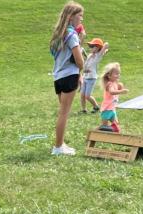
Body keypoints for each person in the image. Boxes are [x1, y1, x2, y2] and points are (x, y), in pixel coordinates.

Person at [49, 3, 85, 156]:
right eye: (80, 16)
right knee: (64, 113)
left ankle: (61, 143)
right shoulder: (71, 34)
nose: (81, 19)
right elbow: (79, 60)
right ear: (71, 16)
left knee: (62, 112)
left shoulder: (58, 34)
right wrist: (81, 71)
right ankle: (58, 148)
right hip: (69, 76)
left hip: (58, 77)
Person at [80, 38, 107, 113]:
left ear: (98, 48)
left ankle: (96, 107)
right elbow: (86, 65)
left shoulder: (97, 56)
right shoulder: (90, 56)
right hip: (85, 77)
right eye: (90, 46)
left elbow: (106, 44)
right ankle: (83, 110)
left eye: (93, 46)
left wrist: (102, 50)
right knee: (82, 95)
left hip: (91, 78)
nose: (91, 48)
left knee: (87, 96)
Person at [98, 62, 128, 133]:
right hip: (107, 108)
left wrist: (120, 87)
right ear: (109, 75)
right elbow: (112, 92)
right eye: (116, 74)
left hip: (112, 108)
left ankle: (110, 130)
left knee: (116, 126)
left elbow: (117, 90)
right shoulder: (109, 84)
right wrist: (121, 91)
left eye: (119, 73)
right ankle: (99, 131)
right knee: (104, 126)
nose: (118, 75)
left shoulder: (115, 83)